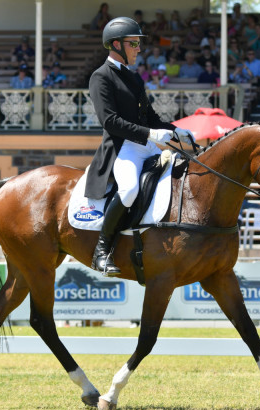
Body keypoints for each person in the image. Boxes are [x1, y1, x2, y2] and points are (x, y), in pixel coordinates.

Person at [84, 17, 195, 276]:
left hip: (146, 144)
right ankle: (102, 250)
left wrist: (175, 130)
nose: (139, 48)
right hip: (123, 147)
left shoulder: (134, 78)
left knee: (180, 176)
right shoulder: (100, 77)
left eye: (138, 43)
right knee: (130, 188)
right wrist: (150, 133)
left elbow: (151, 117)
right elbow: (110, 121)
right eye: (134, 43)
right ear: (116, 45)